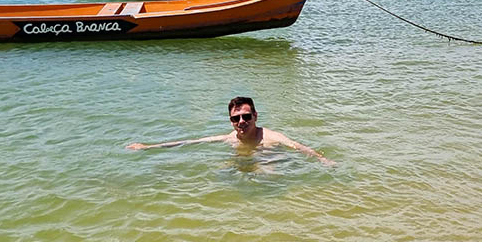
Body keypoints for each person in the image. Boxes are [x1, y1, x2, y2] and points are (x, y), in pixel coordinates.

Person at [126, 96, 334, 165]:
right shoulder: (229, 138)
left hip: (270, 161)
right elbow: (191, 142)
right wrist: (149, 147)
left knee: (265, 173)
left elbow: (298, 147)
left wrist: (323, 160)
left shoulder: (271, 136)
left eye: (246, 116)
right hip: (244, 162)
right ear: (231, 121)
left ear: (255, 116)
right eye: (236, 118)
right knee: (223, 171)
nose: (241, 121)